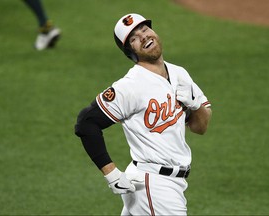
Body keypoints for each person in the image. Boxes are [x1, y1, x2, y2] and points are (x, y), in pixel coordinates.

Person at [75, 13, 212, 216]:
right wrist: (111, 173)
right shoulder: (131, 86)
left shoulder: (179, 73)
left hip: (170, 182)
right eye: (134, 38)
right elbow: (86, 123)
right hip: (153, 184)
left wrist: (195, 106)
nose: (143, 36)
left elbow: (200, 127)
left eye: (145, 29)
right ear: (131, 51)